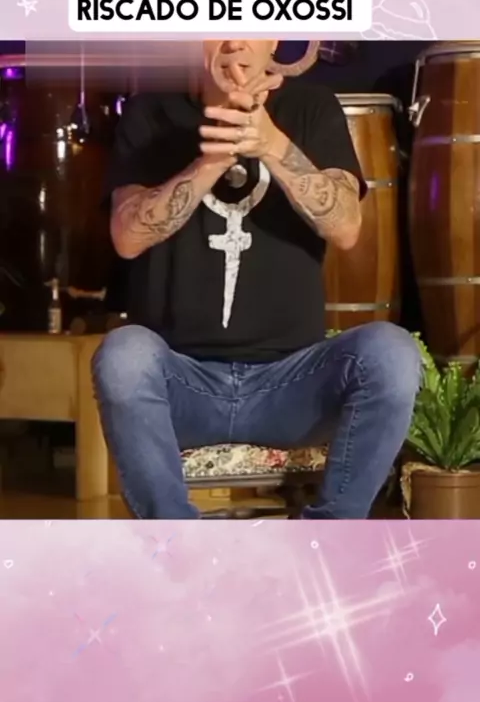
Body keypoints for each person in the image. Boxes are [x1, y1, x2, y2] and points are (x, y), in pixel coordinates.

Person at [93, 39, 421, 520]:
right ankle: (177, 541)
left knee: (391, 353)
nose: (234, 39)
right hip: (183, 386)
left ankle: (330, 535)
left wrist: (270, 143)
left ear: (276, 39)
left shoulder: (311, 108)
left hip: (292, 386)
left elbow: (346, 227)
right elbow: (127, 237)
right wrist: (211, 160)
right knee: (124, 355)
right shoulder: (150, 111)